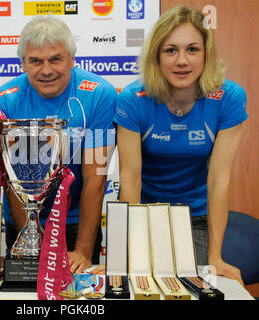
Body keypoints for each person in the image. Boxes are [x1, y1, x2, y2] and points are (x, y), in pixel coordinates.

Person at [93, 5, 247, 282]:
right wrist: (124, 254)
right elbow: (130, 179)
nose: (182, 61)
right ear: (156, 56)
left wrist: (215, 259)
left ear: (206, 54)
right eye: (171, 50)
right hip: (146, 215)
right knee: (138, 285)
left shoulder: (230, 97)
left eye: (192, 49)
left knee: (198, 286)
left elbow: (218, 180)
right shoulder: (133, 98)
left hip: (197, 216)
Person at [0, 16, 117, 273]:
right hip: (22, 220)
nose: (46, 70)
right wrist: (28, 241)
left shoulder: (99, 95)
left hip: (75, 223)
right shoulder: (4, 102)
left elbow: (96, 176)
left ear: (72, 59)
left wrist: (83, 249)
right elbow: (12, 183)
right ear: (23, 63)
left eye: (55, 59)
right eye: (35, 61)